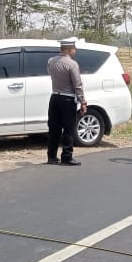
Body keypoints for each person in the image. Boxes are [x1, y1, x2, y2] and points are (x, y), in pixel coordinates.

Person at [47, 37, 87, 166]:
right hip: (68, 98)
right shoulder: (72, 64)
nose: (75, 51)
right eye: (74, 49)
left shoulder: (51, 61)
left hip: (54, 97)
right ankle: (67, 156)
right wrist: (83, 101)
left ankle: (52, 156)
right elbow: (77, 84)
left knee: (54, 128)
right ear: (70, 50)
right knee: (68, 128)